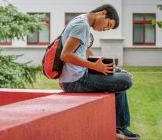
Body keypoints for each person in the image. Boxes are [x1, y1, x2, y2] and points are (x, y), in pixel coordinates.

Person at [59, 4, 140, 140]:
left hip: (76, 77)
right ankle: (120, 128)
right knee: (125, 80)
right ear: (102, 13)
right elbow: (65, 55)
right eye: (108, 24)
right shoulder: (82, 25)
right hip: (75, 81)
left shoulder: (81, 21)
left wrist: (105, 67)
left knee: (120, 78)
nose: (105, 29)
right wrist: (95, 67)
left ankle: (120, 128)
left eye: (108, 28)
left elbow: (83, 52)